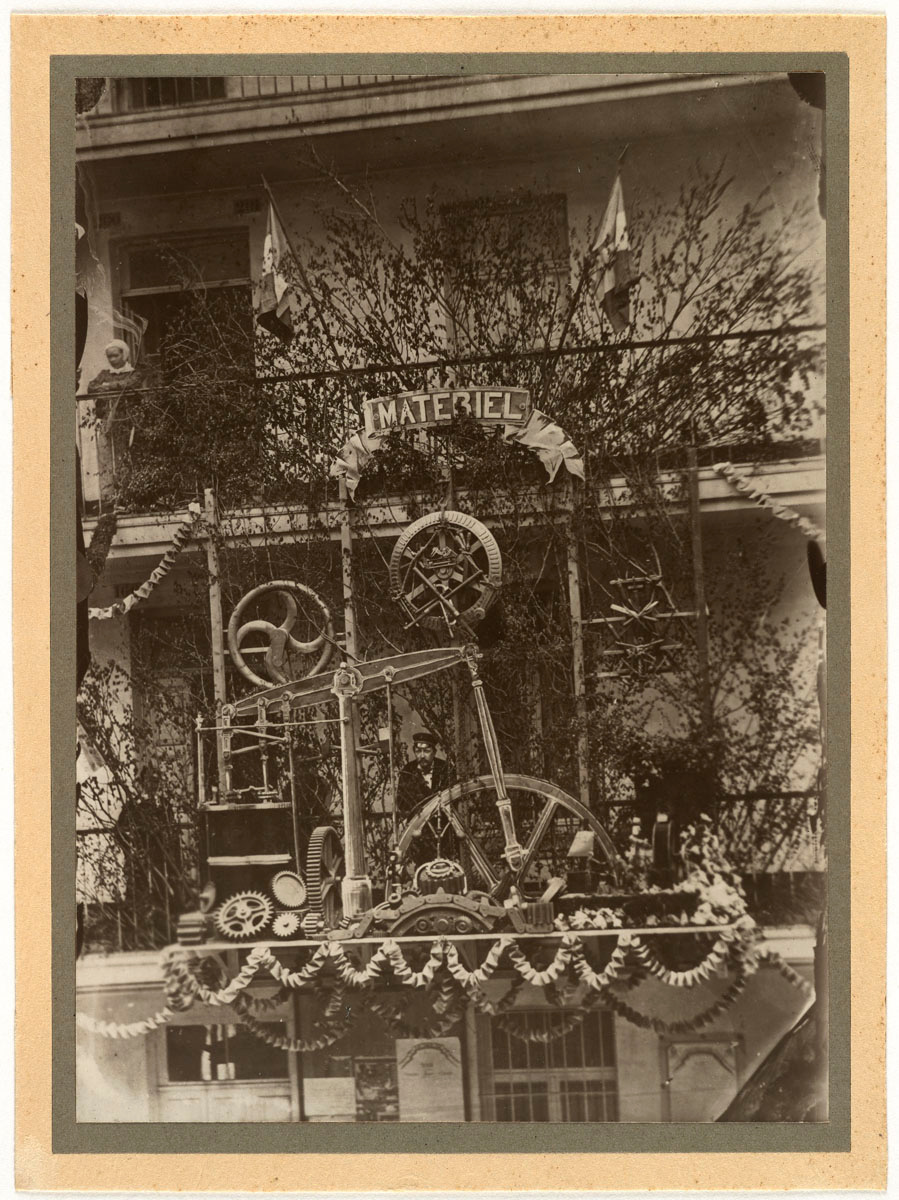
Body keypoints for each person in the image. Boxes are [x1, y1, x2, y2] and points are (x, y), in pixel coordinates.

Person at [394, 731, 451, 817]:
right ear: (414, 751)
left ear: (434, 752)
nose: (422, 755)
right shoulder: (408, 770)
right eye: (418, 751)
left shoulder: (444, 768)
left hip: (442, 821)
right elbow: (401, 801)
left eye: (426, 751)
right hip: (417, 821)